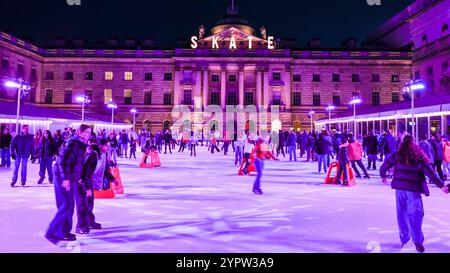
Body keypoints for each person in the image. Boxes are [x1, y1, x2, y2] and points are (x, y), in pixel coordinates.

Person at [380, 135, 449, 253]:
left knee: (401, 214)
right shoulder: (419, 156)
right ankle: (417, 241)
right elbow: (430, 172)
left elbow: (384, 166)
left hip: (400, 190)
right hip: (414, 190)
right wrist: (441, 186)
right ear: (414, 144)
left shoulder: (397, 155)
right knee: (415, 216)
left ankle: (404, 238)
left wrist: (384, 176)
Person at [45, 124, 91, 244]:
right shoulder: (74, 144)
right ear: (79, 132)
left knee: (68, 206)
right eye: (86, 132)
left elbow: (76, 166)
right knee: (66, 205)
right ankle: (52, 232)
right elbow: (63, 162)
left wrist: (79, 181)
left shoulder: (80, 145)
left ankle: (63, 231)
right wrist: (65, 179)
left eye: (89, 133)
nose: (88, 135)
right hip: (62, 176)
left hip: (69, 177)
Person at [75, 139, 114, 234]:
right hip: (80, 181)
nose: (108, 147)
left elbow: (104, 170)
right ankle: (80, 226)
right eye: (106, 145)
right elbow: (84, 173)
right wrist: (86, 187)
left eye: (108, 146)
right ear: (101, 146)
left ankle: (89, 222)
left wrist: (113, 179)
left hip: (88, 181)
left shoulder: (103, 155)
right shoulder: (93, 155)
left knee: (89, 203)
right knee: (82, 204)